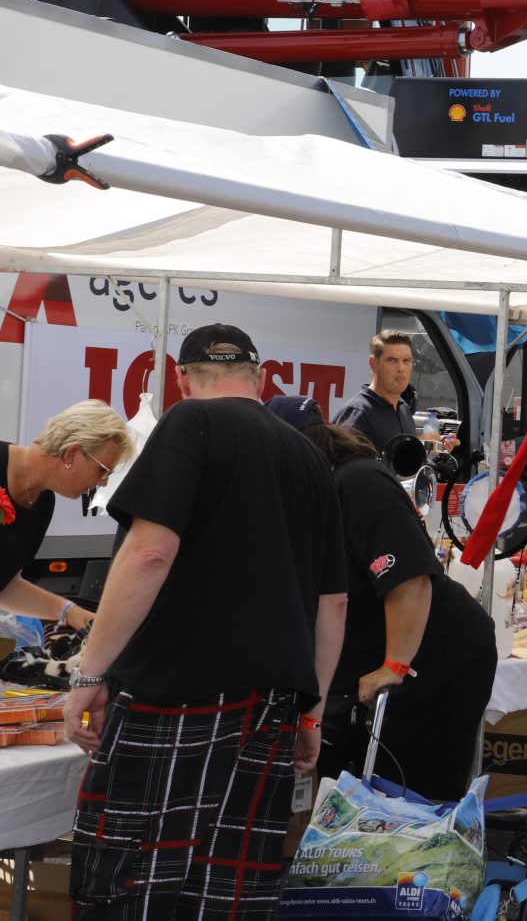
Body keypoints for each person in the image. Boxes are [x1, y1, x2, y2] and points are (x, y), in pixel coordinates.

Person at [66, 324, 347, 919]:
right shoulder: (308, 456)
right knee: (225, 897)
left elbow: (149, 553)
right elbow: (333, 604)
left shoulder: (191, 422)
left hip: (176, 696)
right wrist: (312, 712)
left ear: (181, 377)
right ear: (259, 377)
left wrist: (89, 671)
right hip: (271, 703)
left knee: (136, 887)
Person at [270, 394, 497, 803]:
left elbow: (409, 580)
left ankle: (421, 842)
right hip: (373, 656)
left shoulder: (358, 482)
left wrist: (394, 665)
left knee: (410, 796)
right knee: (355, 792)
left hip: (440, 654)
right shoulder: (312, 493)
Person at [1, 401, 131, 634]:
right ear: (72, 453)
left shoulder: (43, 504)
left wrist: (69, 611)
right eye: (102, 470)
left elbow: (3, 584)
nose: (103, 483)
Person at [332, 328, 456, 455]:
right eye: (392, 360)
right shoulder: (357, 413)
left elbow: (401, 461)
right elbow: (352, 467)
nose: (401, 368)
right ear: (373, 364)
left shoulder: (403, 409)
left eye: (406, 360)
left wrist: (427, 448)